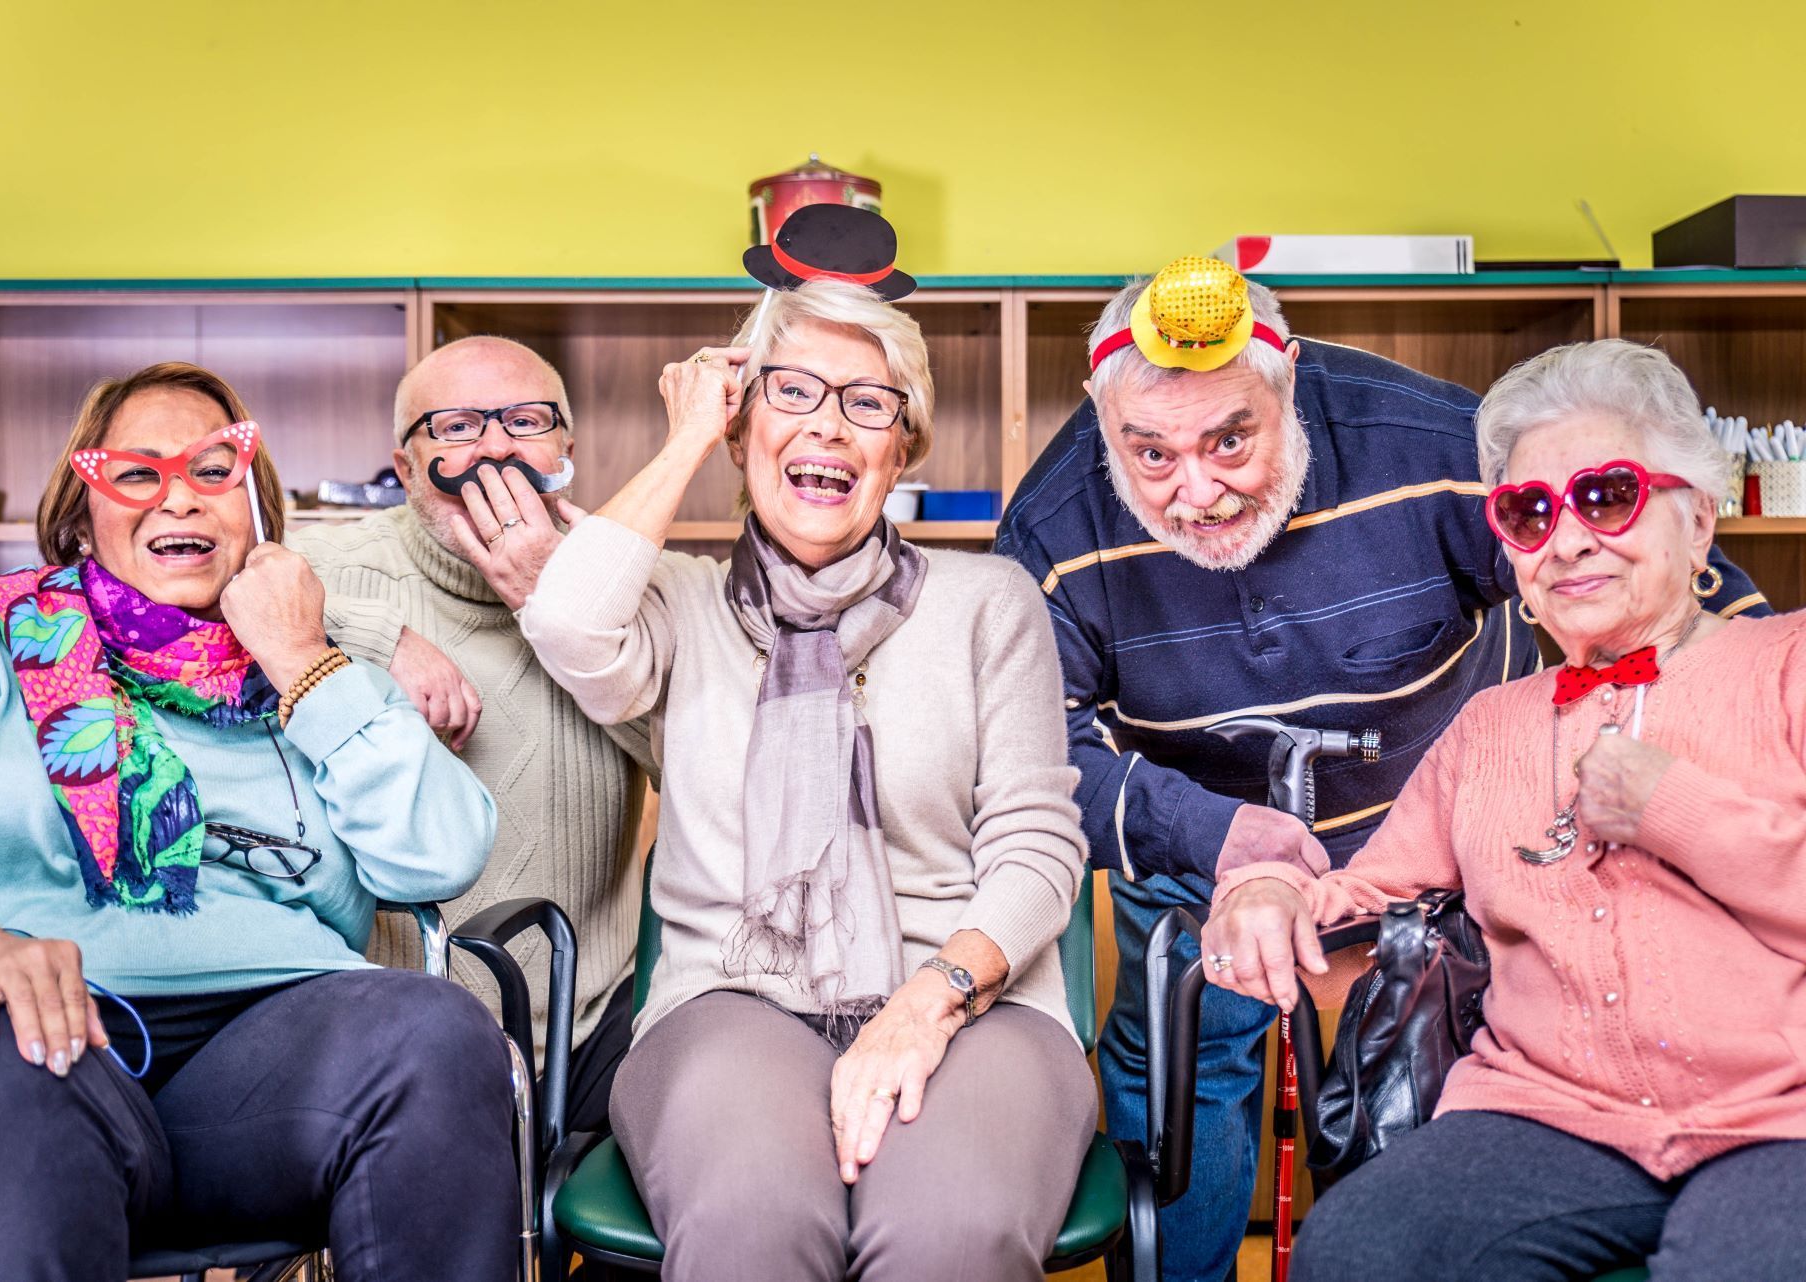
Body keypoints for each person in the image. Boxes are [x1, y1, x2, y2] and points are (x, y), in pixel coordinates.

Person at [993, 257, 1769, 1281]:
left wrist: (1733, 719)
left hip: (1446, 830)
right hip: (1201, 836)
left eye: (1232, 437)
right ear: (1102, 420)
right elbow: (1034, 752)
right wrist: (1226, 844)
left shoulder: (1438, 445)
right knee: (1184, 1053)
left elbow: (1631, 561)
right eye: (1151, 453)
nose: (1198, 487)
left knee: (1441, 1067)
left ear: (1290, 381)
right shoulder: (1048, 531)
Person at [518, 268, 1097, 1281]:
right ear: (743, 429)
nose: (828, 426)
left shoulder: (988, 601)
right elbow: (565, 618)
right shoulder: (679, 605)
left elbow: (1038, 849)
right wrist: (689, 432)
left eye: (868, 403)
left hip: (975, 1007)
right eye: (791, 391)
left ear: (903, 446)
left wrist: (926, 1003)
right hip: (732, 999)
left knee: (946, 1231)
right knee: (752, 1220)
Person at [0, 362, 514, 1281]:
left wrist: (303, 658)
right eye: (137, 473)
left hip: (273, 1065)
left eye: (212, 469)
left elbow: (441, 855)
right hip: (38, 1040)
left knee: (435, 1030)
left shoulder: (316, 667)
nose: (177, 496)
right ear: (81, 513)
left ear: (253, 508)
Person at [1202, 338, 1806, 1281]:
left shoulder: (1787, 667)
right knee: (1359, 1250)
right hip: (1545, 1115)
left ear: (1698, 519)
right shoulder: (1491, 725)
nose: (1566, 541)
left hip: (1784, 1118)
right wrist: (1271, 889)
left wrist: (1674, 808)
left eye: (1606, 497)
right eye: (1529, 513)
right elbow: (1371, 899)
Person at [292, 334, 648, 1134]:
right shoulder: (326, 566)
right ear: (406, 462)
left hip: (593, 1017)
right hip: (390, 1024)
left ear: (566, 449)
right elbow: (218, 589)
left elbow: (699, 760)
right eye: (455, 427)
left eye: (524, 420)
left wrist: (565, 615)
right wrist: (382, 642)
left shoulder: (628, 581)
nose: (493, 449)